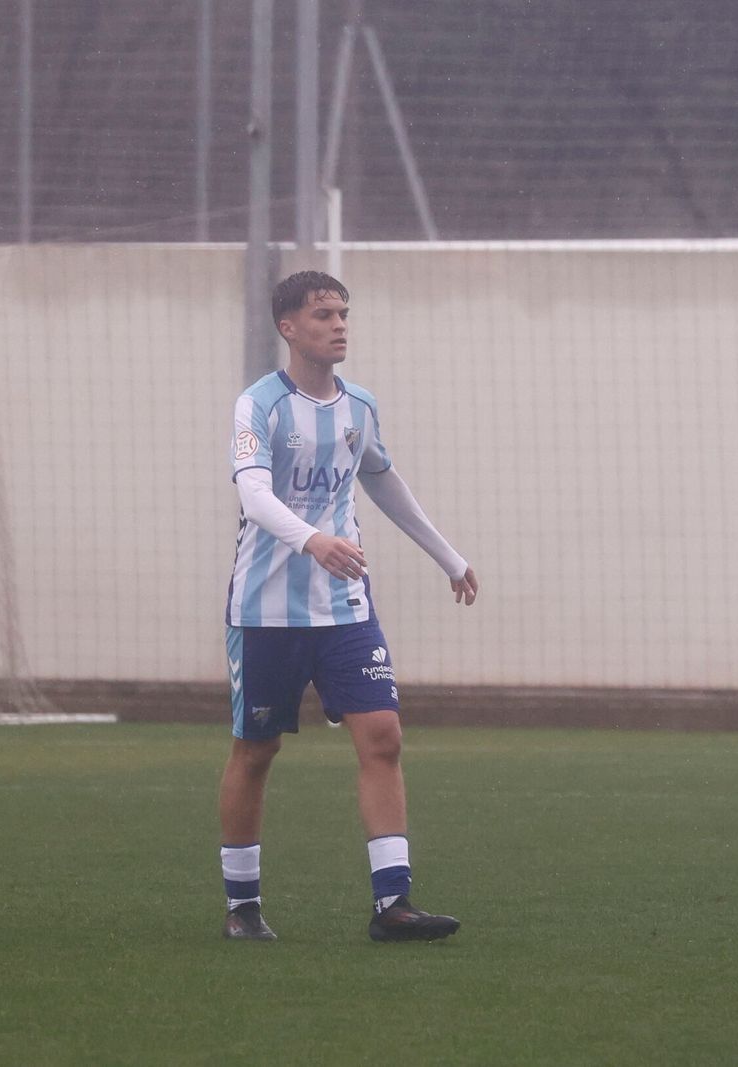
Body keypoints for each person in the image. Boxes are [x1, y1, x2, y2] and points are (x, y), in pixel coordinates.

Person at [219, 270, 479, 942]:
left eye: (343, 313)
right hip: (267, 609)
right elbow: (254, 495)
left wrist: (449, 557)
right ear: (288, 326)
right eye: (323, 314)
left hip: (344, 606)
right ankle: (242, 906)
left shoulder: (359, 406)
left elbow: (384, 482)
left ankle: (392, 903)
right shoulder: (258, 406)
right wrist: (313, 540)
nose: (339, 324)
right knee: (256, 749)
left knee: (383, 735)